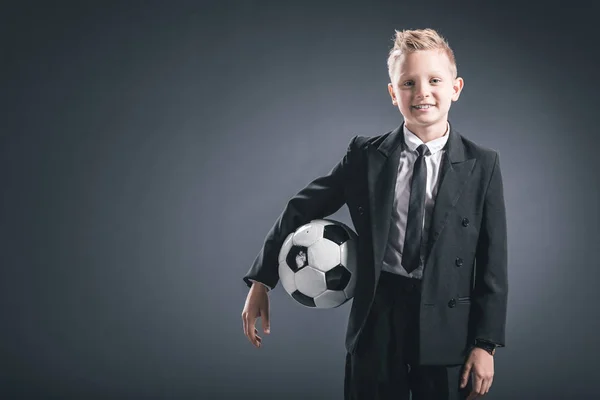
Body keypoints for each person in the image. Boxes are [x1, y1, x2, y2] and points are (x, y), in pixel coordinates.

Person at [241, 28, 508, 400]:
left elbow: (493, 265)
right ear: (393, 93)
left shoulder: (483, 164)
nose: (422, 93)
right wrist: (262, 280)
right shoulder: (366, 156)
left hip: (448, 328)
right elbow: (302, 207)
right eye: (409, 83)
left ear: (456, 88)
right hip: (378, 318)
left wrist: (486, 344)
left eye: (434, 80)